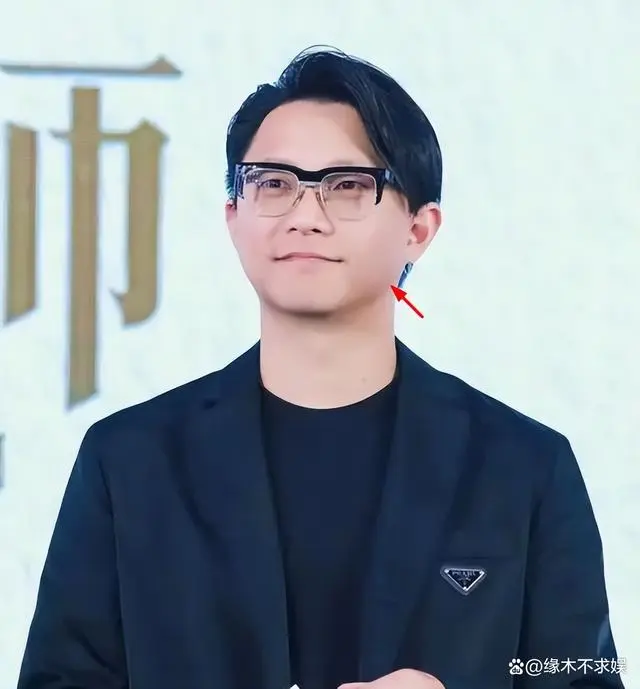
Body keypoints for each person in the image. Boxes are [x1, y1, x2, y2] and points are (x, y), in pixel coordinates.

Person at [18, 47, 624, 689]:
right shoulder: (129, 462)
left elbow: (575, 675)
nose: (305, 217)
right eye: (274, 184)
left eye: (348, 186)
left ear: (419, 229)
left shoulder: (522, 467)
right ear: (234, 217)